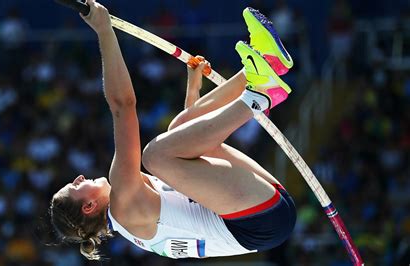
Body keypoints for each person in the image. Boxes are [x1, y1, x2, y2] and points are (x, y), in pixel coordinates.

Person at [49, 1, 296, 260]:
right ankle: (259, 96)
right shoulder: (124, 204)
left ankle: (263, 67)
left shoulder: (134, 214)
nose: (78, 177)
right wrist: (104, 31)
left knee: (176, 130)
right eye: (74, 186)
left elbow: (195, 172)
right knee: (154, 156)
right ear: (88, 206)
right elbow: (123, 105)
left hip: (263, 214)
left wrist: (193, 93)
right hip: (258, 220)